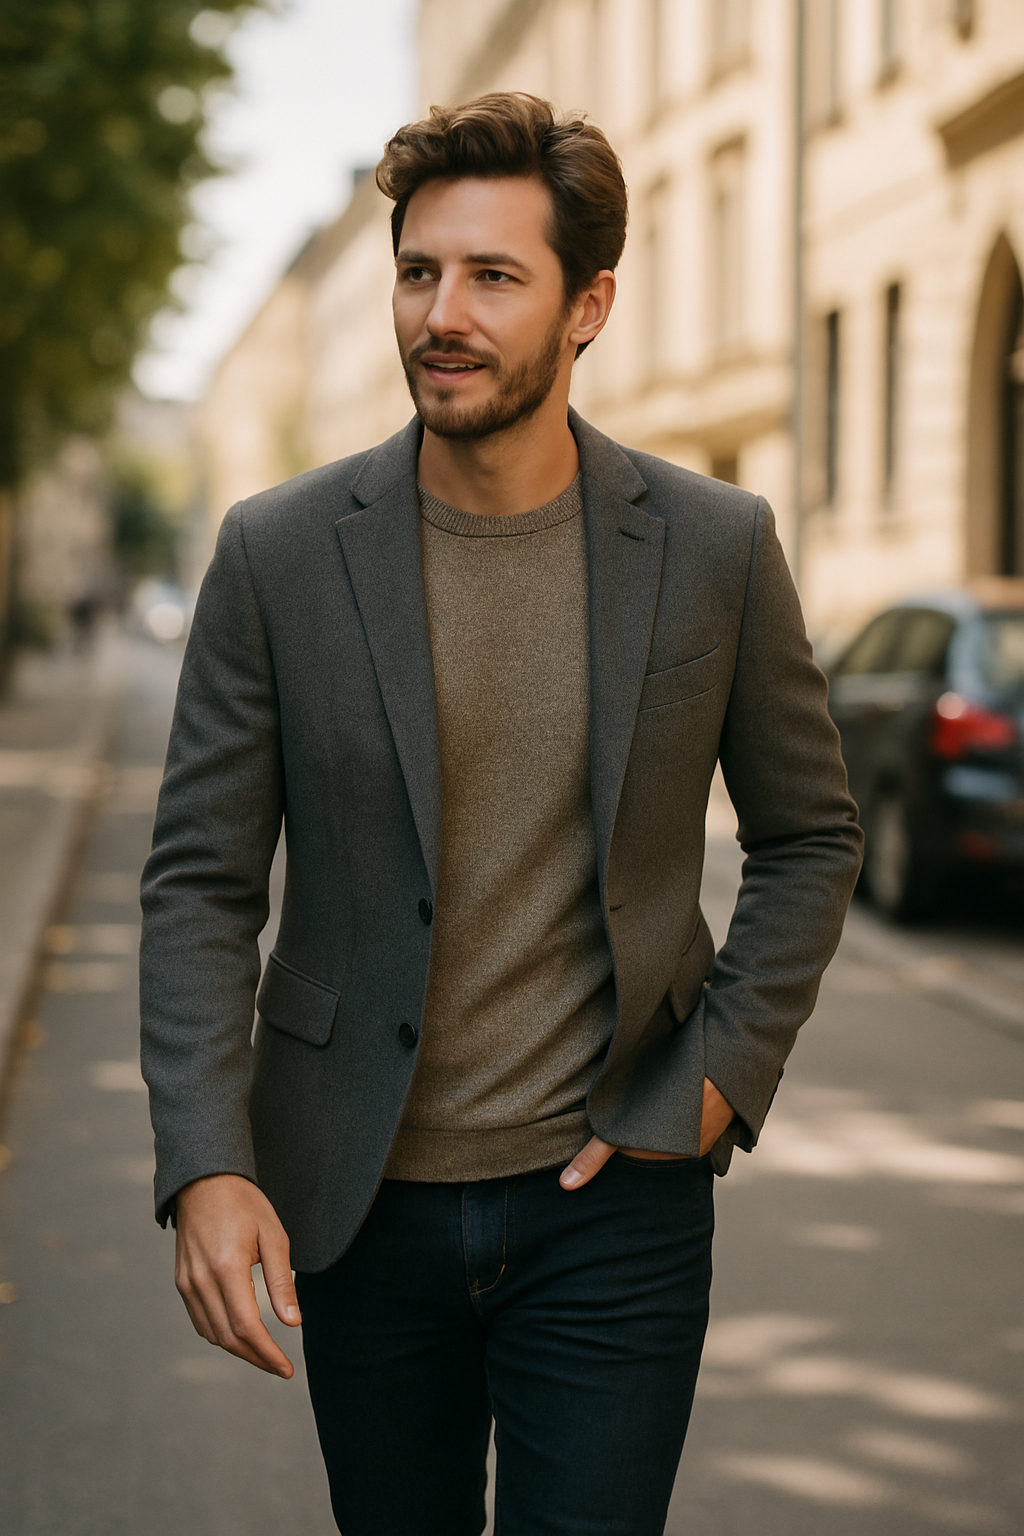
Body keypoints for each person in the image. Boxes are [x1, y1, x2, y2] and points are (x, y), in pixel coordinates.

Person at [140, 92, 862, 1536]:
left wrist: (717, 1074)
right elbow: (202, 884)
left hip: (615, 1209)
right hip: (359, 1208)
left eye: (491, 276)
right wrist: (208, 1161)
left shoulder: (715, 548)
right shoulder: (278, 554)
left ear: (588, 304)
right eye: (418, 272)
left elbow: (811, 835)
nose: (439, 315)